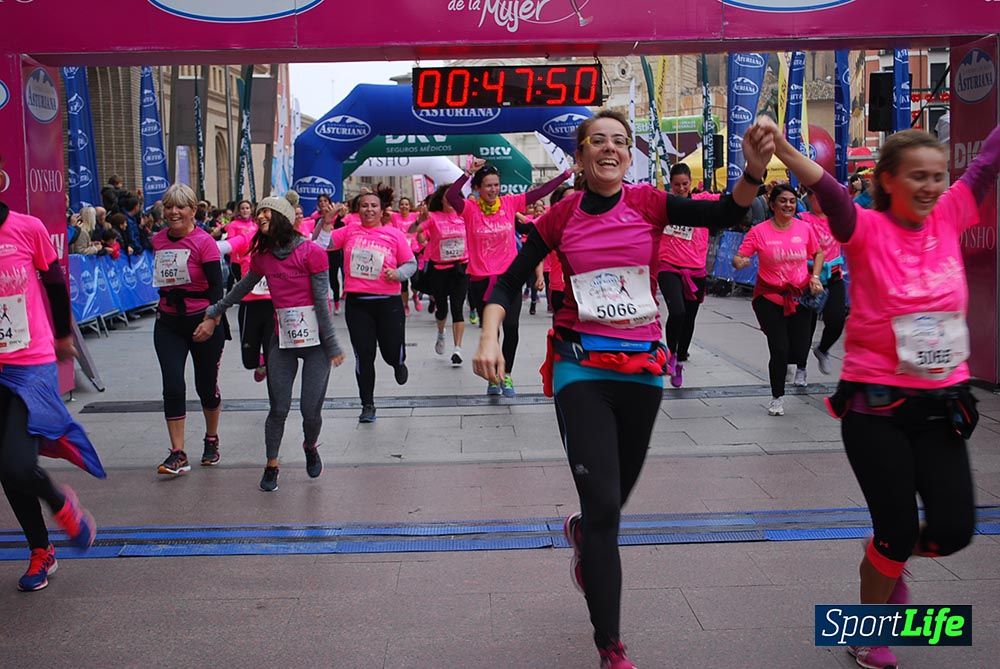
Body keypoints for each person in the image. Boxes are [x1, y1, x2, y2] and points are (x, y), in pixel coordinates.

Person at [473, 110, 771, 669]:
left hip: (643, 372)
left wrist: (752, 171)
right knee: (607, 507)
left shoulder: (649, 204)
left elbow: (729, 213)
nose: (610, 149)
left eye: (620, 142)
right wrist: (489, 336)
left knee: (611, 506)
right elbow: (509, 281)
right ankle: (611, 647)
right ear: (581, 156)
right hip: (579, 369)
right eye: (598, 142)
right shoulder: (560, 217)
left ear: (629, 155)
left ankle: (584, 534)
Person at [766, 115, 999, 669]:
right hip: (876, 409)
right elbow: (826, 190)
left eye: (938, 176)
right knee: (894, 529)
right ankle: (871, 631)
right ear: (887, 179)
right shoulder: (866, 227)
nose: (930, 187)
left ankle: (882, 558)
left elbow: (988, 164)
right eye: (917, 176)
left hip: (942, 405)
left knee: (954, 530)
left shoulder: (953, 213)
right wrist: (784, 148)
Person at [196, 197, 344, 492]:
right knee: (279, 408)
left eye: (267, 212)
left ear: (283, 218)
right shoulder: (263, 257)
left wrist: (332, 345)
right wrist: (216, 310)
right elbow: (242, 288)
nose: (261, 216)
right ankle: (272, 465)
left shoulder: (312, 252)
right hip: (282, 341)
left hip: (315, 344)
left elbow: (321, 302)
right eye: (259, 211)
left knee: (310, 410)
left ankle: (310, 445)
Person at [0, 200, 105, 591]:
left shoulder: (26, 229)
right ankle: (41, 550)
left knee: (15, 464)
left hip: (28, 361)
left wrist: (63, 335)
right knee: (6, 466)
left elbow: (56, 284)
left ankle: (60, 502)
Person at [447, 159, 572, 397]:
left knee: (512, 328)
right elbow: (452, 196)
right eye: (488, 186)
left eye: (496, 185)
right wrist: (466, 173)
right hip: (481, 280)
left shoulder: (509, 203)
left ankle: (507, 375)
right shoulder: (470, 209)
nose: (493, 190)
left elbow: (540, 192)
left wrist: (565, 174)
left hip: (509, 278)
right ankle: (493, 377)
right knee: (491, 332)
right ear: (478, 188)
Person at [151, 183, 227, 475]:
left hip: (203, 320)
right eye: (169, 206)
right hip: (169, 322)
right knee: (172, 385)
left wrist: (211, 320)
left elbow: (217, 288)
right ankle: (178, 453)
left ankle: (211, 438)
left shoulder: (204, 242)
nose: (173, 212)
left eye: (180, 206)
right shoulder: (158, 240)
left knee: (206, 387)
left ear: (193, 210)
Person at [733, 183, 823, 415]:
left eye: (792, 201)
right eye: (783, 201)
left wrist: (814, 277)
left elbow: (818, 252)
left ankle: (788, 365)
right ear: (772, 205)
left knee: (801, 348)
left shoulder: (804, 229)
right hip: (770, 297)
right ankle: (777, 397)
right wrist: (740, 261)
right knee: (779, 348)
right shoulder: (759, 231)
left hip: (800, 296)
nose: (788, 205)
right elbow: (741, 256)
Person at [328, 189, 416, 423]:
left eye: (373, 206)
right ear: (358, 209)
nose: (369, 210)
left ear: (381, 209)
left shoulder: (394, 235)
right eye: (364, 205)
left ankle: (398, 363)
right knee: (364, 356)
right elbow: (320, 245)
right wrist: (326, 222)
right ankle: (367, 404)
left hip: (389, 303)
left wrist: (397, 273)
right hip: (358, 304)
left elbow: (411, 263)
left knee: (389, 352)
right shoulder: (348, 231)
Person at [657, 163, 717, 388]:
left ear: (691, 182)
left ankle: (680, 359)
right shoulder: (663, 205)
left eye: (684, 184)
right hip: (668, 266)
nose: (681, 189)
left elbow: (731, 203)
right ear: (670, 185)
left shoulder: (702, 201)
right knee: (678, 311)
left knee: (689, 318)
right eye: (676, 185)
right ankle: (671, 354)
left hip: (696, 269)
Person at [414, 185, 469, 366]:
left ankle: (458, 349)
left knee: (457, 308)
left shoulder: (464, 216)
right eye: (447, 198)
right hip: (439, 269)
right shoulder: (434, 217)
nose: (451, 201)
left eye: (454, 198)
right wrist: (420, 225)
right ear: (441, 200)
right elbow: (417, 234)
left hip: (460, 269)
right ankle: (441, 333)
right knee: (442, 310)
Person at [797, 189, 847, 377]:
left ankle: (823, 349)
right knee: (805, 327)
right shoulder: (802, 219)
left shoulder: (838, 218)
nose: (823, 200)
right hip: (808, 278)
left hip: (834, 277)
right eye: (818, 196)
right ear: (810, 197)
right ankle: (800, 368)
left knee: (836, 321)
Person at [311, 194, 345, 315]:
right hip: (320, 253)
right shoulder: (315, 218)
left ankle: (336, 302)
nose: (323, 203)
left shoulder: (338, 218)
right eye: (320, 201)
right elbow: (313, 236)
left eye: (325, 201)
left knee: (333, 278)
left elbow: (341, 234)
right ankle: (325, 302)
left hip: (334, 252)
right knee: (321, 279)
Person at [392, 197, 423, 314]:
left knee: (415, 281)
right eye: (402, 204)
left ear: (410, 207)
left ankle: (415, 296)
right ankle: (405, 305)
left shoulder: (415, 216)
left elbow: (426, 214)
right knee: (403, 283)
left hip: (412, 252)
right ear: (399, 207)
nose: (404, 206)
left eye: (406, 204)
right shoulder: (394, 217)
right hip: (399, 253)